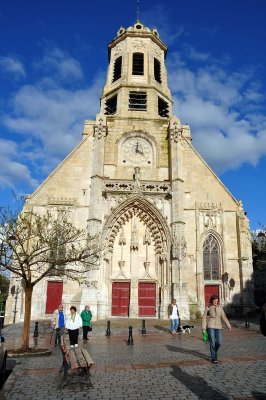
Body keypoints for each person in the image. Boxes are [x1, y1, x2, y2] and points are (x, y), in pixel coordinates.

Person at [202, 294, 231, 364]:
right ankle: (214, 358)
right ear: (212, 301)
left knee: (219, 342)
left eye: (217, 301)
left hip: (219, 327)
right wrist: (204, 328)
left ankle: (214, 350)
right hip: (210, 326)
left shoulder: (220, 308)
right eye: (214, 301)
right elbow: (204, 318)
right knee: (212, 341)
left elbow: (224, 316)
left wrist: (228, 324)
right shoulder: (208, 307)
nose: (216, 302)